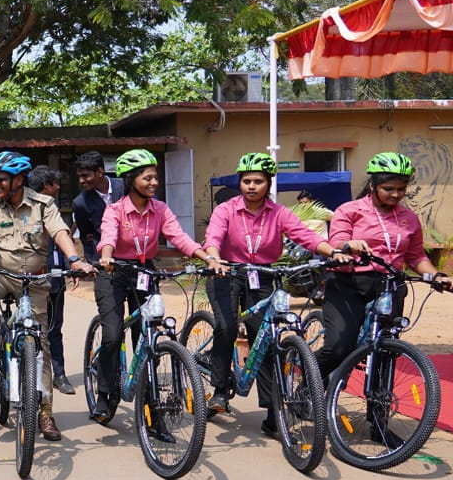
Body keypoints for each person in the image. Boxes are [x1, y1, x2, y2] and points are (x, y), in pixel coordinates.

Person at [202, 153, 347, 432]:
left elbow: (308, 237)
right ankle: (220, 389)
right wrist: (214, 258)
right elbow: (214, 237)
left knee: (266, 340)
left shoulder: (279, 213)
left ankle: (272, 414)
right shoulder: (227, 210)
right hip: (225, 272)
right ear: (240, 183)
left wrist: (335, 252)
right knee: (227, 326)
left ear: (268, 183)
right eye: (246, 181)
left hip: (263, 275)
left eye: (258, 181)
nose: (252, 186)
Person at [0, 152, 92, 442]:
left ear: (18, 180)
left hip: (33, 281)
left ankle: (45, 412)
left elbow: (59, 232)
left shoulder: (43, 205)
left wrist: (74, 259)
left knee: (40, 344)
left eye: (1, 178)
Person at [91, 149, 210, 423]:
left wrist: (207, 257)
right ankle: (105, 395)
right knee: (112, 334)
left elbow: (179, 237)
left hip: (145, 272)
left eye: (155, 178)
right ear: (131, 179)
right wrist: (106, 256)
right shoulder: (115, 210)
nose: (154, 182)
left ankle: (149, 400)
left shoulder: (161, 210)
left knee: (147, 336)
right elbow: (108, 236)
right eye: (147, 178)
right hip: (114, 272)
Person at [315, 152, 452, 384]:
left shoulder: (409, 218)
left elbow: (416, 256)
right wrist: (349, 245)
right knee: (340, 347)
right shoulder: (349, 210)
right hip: (348, 285)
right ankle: (309, 381)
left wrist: (436, 275)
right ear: (373, 185)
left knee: (386, 350)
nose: (396, 194)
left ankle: (378, 412)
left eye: (401, 189)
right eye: (389, 188)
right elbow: (336, 241)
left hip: (390, 286)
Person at [29, 165, 76, 395]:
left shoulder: (52, 209)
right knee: (35, 330)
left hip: (57, 278)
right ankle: (33, 377)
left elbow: (62, 240)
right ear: (45, 185)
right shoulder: (29, 210)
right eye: (55, 184)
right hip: (38, 280)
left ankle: (59, 375)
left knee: (55, 329)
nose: (58, 187)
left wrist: (70, 268)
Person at [71, 151, 122, 263]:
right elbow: (86, 237)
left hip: (132, 256)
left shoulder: (125, 188)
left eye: (85, 176)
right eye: (79, 176)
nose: (81, 181)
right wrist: (93, 262)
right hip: (102, 260)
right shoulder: (80, 203)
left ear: (99, 171)